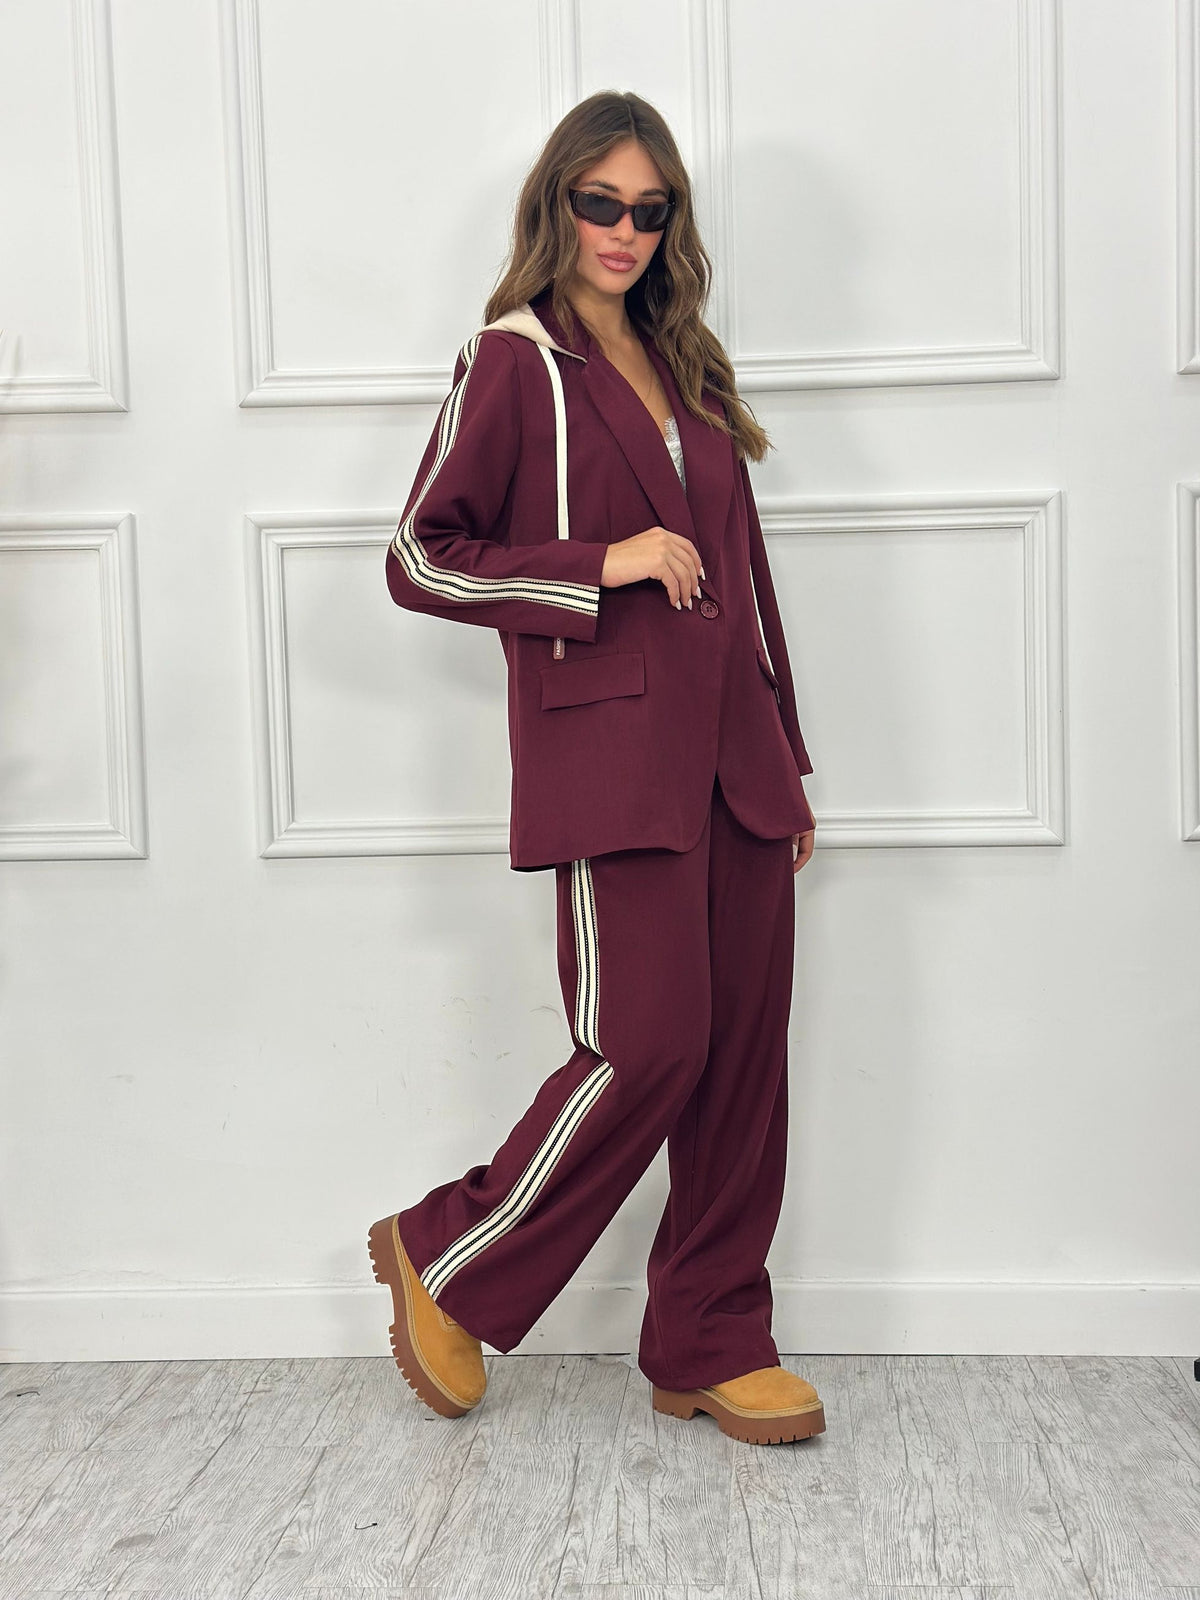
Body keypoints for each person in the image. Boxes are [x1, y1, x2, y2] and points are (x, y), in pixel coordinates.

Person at [367, 90, 825, 1447]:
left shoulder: (690, 368)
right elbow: (421, 556)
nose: (625, 231)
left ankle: (710, 1337)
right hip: (613, 759)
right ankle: (449, 1257)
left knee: (741, 1067)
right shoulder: (513, 362)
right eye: (600, 202)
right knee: (649, 1045)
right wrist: (601, 565)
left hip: (738, 766)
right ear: (556, 204)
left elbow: (745, 578)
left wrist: (787, 760)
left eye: (650, 209)